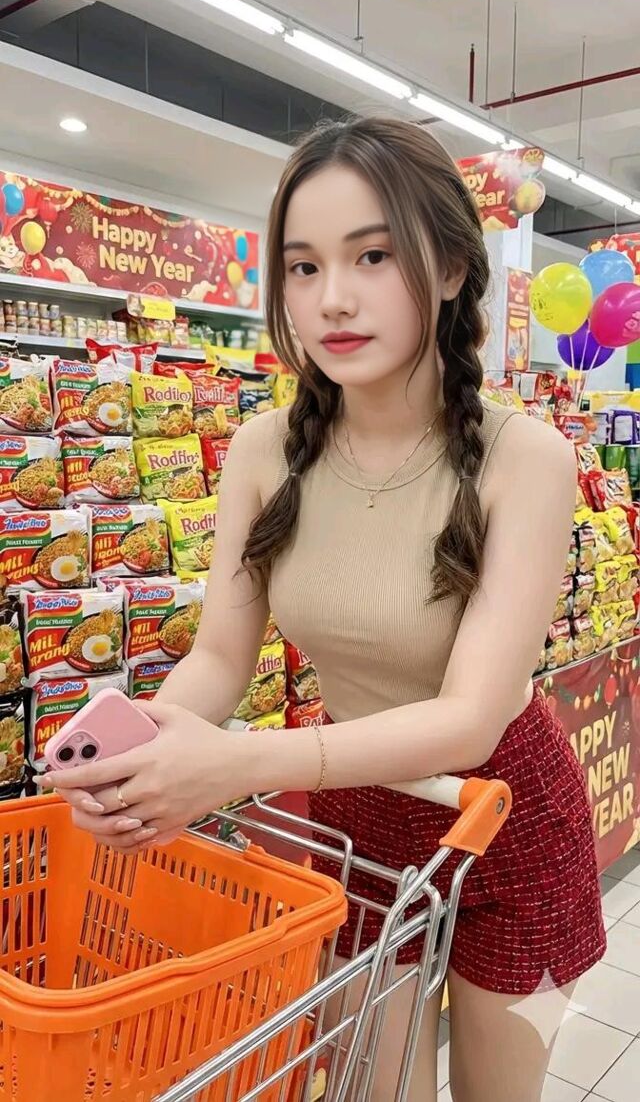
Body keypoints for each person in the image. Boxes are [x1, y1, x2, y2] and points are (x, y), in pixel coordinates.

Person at [47, 117, 606, 1102]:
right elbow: (222, 655)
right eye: (303, 267)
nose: (332, 298)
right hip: (357, 814)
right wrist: (150, 746)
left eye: (372, 256)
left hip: (505, 814)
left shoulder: (526, 459)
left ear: (449, 268)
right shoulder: (265, 452)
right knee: (368, 1086)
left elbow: (470, 720)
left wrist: (239, 764)